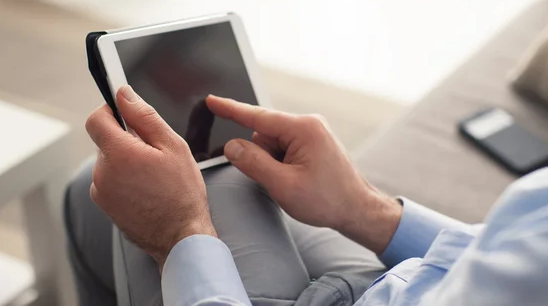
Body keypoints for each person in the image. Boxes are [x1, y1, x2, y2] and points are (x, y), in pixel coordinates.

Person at [65, 85, 548, 306]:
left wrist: (178, 234)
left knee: (101, 188)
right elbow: (512, 258)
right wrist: (365, 209)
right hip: (408, 282)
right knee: (103, 182)